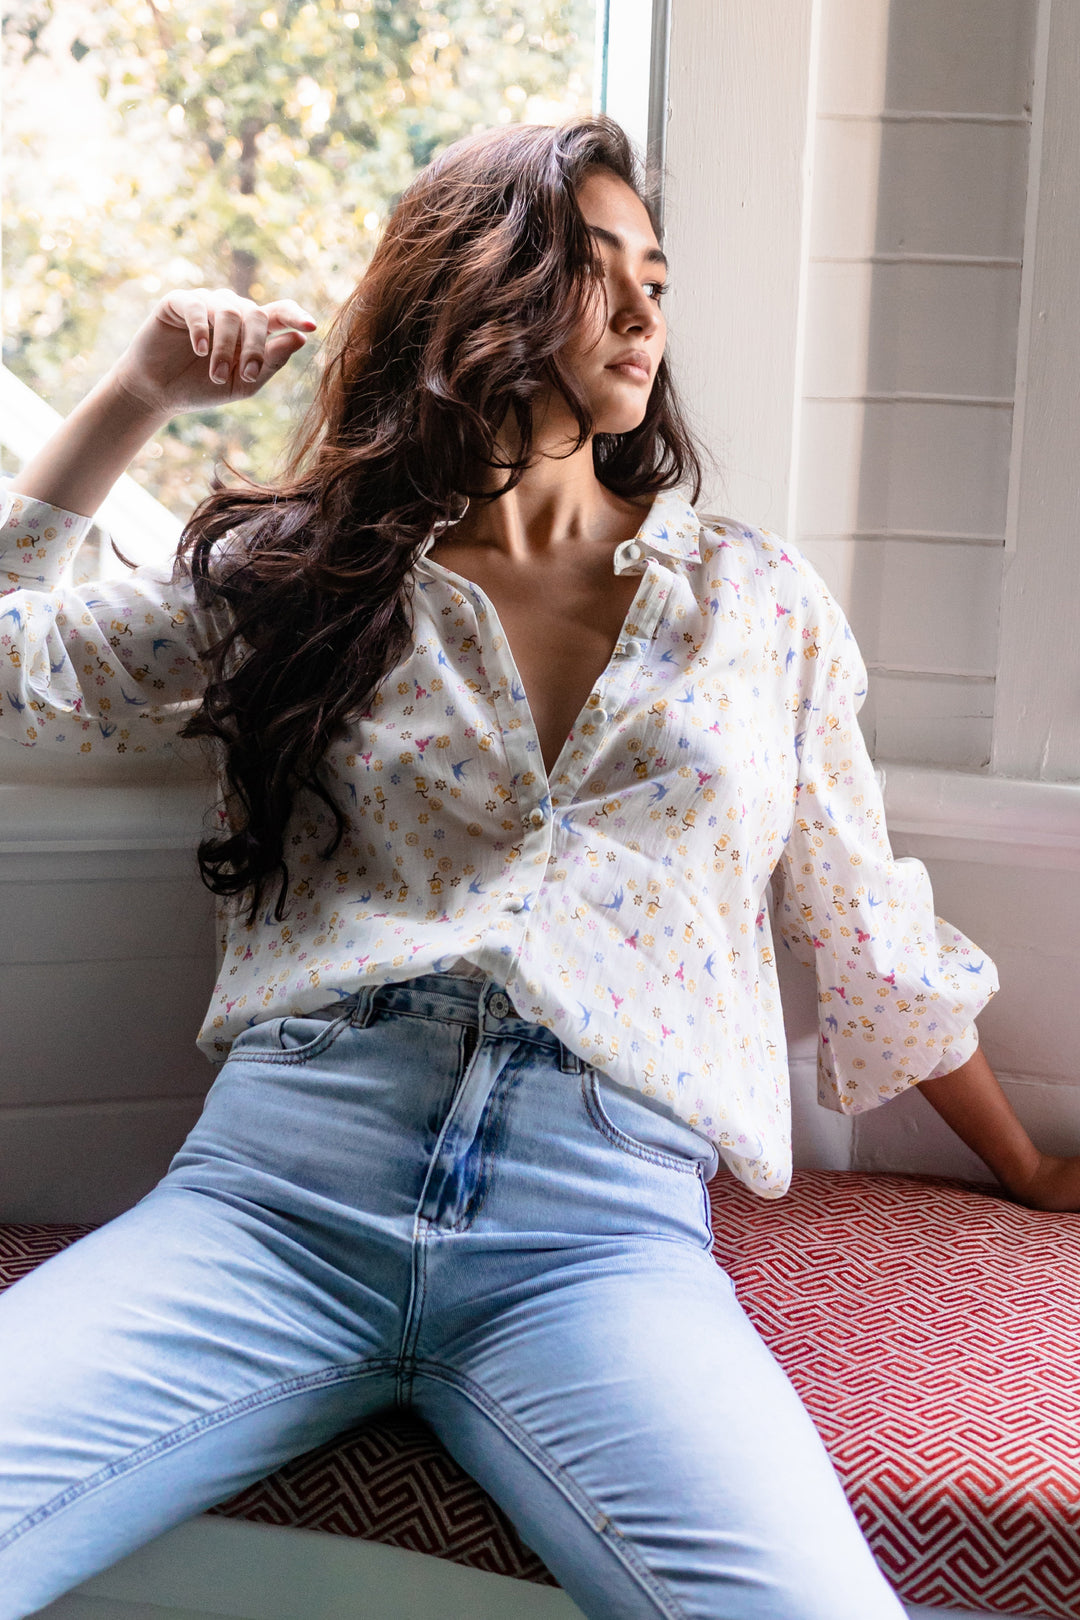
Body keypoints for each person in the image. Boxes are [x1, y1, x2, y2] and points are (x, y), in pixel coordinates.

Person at [0, 116, 1075, 1620]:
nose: (645, 313)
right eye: (596, 270)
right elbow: (12, 662)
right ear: (484, 285)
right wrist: (139, 392)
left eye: (660, 276)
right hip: (275, 1202)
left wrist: (1024, 1165)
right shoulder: (313, 573)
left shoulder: (754, 602)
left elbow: (864, 924)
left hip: (599, 1245)